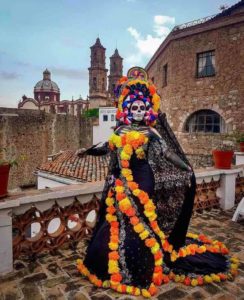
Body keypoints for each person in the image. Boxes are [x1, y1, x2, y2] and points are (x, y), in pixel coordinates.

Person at [77, 67, 238, 298]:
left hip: (144, 181)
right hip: (122, 180)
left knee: (140, 219)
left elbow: (166, 153)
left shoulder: (152, 132)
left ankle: (140, 259)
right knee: (119, 220)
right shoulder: (121, 130)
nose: (140, 111)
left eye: (143, 108)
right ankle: (115, 261)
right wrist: (86, 151)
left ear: (147, 109)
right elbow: (106, 147)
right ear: (128, 109)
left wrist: (185, 167)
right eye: (135, 107)